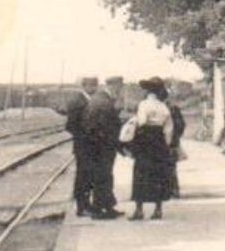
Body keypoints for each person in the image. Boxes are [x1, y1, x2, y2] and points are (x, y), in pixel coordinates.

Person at [126, 77, 173, 220]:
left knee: (141, 174)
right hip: (159, 142)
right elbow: (169, 130)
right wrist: (166, 145)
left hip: (145, 141)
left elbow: (141, 121)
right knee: (158, 175)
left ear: (147, 91)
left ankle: (139, 210)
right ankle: (158, 210)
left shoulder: (144, 104)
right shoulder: (164, 107)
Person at [84, 76, 123, 219]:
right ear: (113, 86)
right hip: (101, 147)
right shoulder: (104, 101)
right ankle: (98, 210)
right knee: (102, 177)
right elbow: (106, 126)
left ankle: (107, 206)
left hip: (98, 146)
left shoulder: (99, 99)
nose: (119, 91)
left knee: (105, 176)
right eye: (119, 87)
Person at [65, 77, 97, 216]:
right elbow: (70, 126)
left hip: (89, 146)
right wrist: (85, 137)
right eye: (91, 85)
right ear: (83, 86)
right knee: (83, 176)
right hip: (83, 146)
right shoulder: (77, 101)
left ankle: (86, 204)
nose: (94, 88)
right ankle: (81, 207)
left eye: (95, 85)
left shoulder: (90, 100)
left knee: (88, 176)